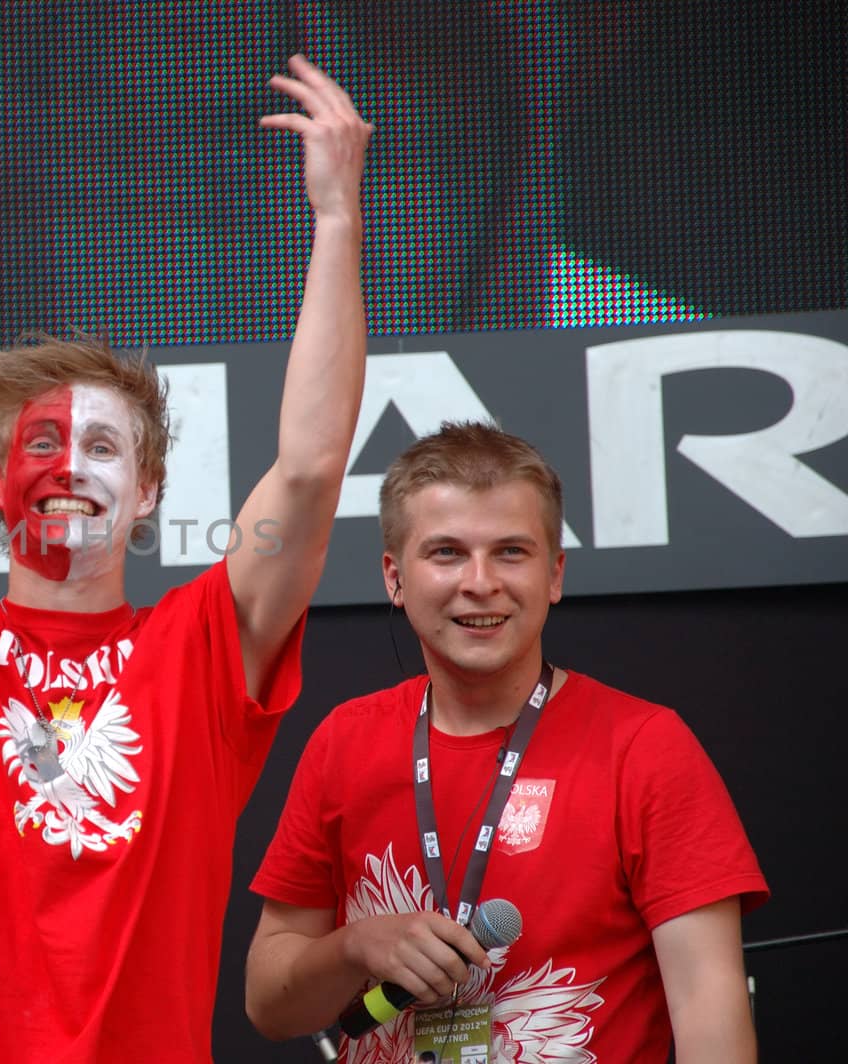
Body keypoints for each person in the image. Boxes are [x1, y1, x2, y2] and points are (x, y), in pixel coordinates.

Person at [0, 43, 370, 1062]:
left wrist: (335, 221)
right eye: (42, 442)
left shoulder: (203, 647)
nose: (69, 466)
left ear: (148, 491)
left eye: (103, 445)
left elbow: (313, 465)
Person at [245, 421, 769, 1062]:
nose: (480, 581)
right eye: (445, 553)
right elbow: (269, 1006)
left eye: (511, 552)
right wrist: (355, 946)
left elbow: (711, 1021)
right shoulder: (343, 742)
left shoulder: (645, 747)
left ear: (555, 574)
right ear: (394, 577)